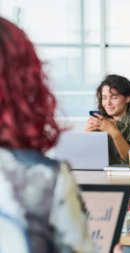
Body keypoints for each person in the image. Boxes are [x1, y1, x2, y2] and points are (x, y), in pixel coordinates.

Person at [0, 17, 123, 253]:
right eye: (105, 97)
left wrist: (112, 133)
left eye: (114, 97)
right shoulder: (45, 179)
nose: (108, 102)